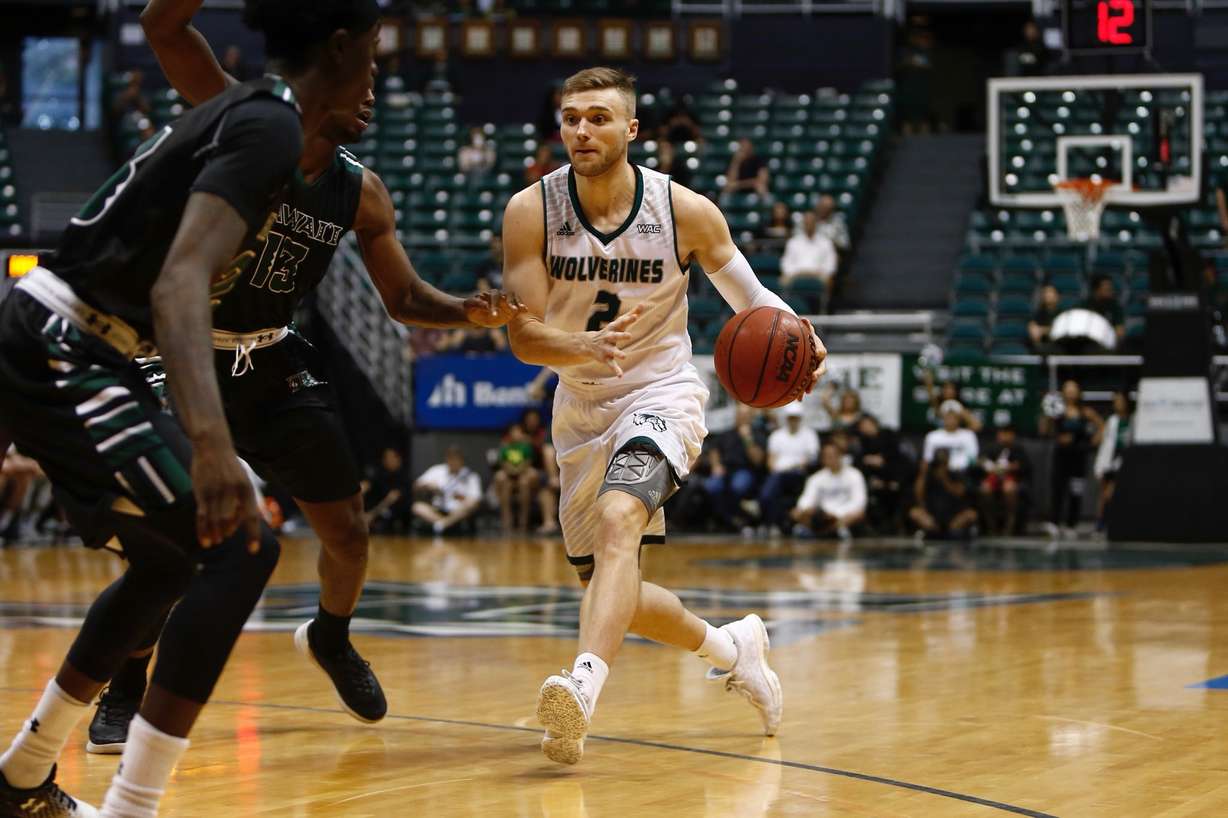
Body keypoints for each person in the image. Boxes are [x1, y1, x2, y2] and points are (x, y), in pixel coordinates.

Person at [88, 0, 523, 756]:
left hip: (274, 358)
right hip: (187, 359)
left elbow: (405, 299)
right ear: (333, 60)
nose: (376, 90)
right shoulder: (241, 120)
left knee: (348, 532)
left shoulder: (362, 190)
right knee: (174, 546)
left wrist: (470, 313)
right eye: (371, 71)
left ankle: (331, 634)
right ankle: (127, 686)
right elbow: (164, 27)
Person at [0, 1, 382, 814]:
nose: (377, 82)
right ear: (341, 46)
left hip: (60, 334)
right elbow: (180, 281)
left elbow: (163, 16)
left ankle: (24, 775)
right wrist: (211, 446)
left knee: (171, 559)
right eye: (375, 59)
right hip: (69, 338)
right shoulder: (269, 124)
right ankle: (132, 805)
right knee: (239, 548)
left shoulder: (257, 124)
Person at [500, 67, 826, 766]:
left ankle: (581, 690)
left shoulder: (686, 211)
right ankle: (734, 647)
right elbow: (524, 338)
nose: (581, 131)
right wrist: (577, 346)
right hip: (580, 408)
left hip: (662, 395)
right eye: (571, 119)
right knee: (616, 595)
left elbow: (754, 299)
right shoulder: (532, 210)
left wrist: (799, 334)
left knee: (623, 517)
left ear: (631, 129)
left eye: (597, 118)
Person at [1040, 380, 1103, 538]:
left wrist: (1092, 442)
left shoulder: (1085, 412)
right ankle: (1054, 522)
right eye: (1067, 390)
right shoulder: (1057, 411)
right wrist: (1047, 415)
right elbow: (1044, 431)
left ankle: (1071, 524)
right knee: (1058, 488)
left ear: (1078, 392)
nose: (1070, 393)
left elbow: (1102, 426)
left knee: (1076, 490)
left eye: (1073, 390)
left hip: (1079, 457)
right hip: (1061, 456)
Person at [702, 404, 767, 531]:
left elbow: (757, 460)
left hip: (745, 470)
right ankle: (726, 519)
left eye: (745, 416)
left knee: (738, 486)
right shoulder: (727, 433)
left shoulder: (757, 434)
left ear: (751, 418)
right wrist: (716, 465)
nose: (741, 418)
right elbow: (714, 449)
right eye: (739, 415)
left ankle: (737, 518)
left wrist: (747, 438)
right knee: (712, 486)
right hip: (725, 469)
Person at [759, 403, 820, 533]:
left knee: (772, 487)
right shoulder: (777, 436)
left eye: (796, 417)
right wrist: (776, 469)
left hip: (798, 474)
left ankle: (774, 523)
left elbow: (810, 459)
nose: (793, 420)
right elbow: (771, 460)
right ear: (786, 418)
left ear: (800, 418)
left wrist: (793, 466)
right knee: (768, 492)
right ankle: (772, 523)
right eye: (791, 417)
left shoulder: (809, 435)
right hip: (778, 474)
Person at [790, 442, 866, 540]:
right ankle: (830, 532)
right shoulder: (816, 478)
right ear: (822, 459)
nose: (830, 459)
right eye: (826, 456)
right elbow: (808, 498)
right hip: (822, 516)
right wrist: (804, 509)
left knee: (859, 514)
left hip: (844, 515)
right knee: (797, 512)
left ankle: (827, 531)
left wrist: (837, 513)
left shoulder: (855, 475)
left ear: (840, 456)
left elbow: (859, 502)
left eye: (833, 456)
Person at [851, 414, 904, 534]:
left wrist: (883, 460)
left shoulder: (889, 435)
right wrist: (869, 462)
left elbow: (897, 458)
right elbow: (859, 462)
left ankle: (896, 524)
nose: (865, 427)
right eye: (862, 426)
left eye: (867, 424)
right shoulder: (862, 442)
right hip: (873, 478)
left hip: (892, 474)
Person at [412, 446, 482, 535]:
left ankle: (443, 525)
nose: (453, 462)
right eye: (450, 458)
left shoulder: (470, 476)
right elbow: (416, 485)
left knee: (470, 505)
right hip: (438, 510)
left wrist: (461, 498)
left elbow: (476, 499)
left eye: (456, 459)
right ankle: (444, 524)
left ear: (462, 460)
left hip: (458, 512)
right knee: (417, 507)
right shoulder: (437, 470)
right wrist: (428, 486)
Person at [910, 449, 978, 540]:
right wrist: (923, 473)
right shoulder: (928, 476)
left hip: (954, 513)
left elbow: (960, 492)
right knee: (914, 512)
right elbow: (918, 495)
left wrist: (945, 479)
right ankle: (932, 530)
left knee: (971, 514)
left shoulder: (954, 474)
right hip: (932, 514)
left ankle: (953, 530)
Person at [977, 424, 1031, 536]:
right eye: (1002, 433)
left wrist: (1009, 467)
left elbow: (1024, 466)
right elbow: (981, 461)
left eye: (1008, 434)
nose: (1005, 436)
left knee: (1009, 489)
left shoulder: (1018, 449)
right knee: (984, 489)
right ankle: (991, 526)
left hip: (1011, 477)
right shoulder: (991, 447)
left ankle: (1009, 524)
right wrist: (990, 466)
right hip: (993, 477)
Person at [780, 211, 838, 308]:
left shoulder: (825, 242)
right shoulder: (793, 242)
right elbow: (786, 264)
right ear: (803, 224)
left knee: (829, 280)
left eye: (811, 222)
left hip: (818, 276)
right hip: (796, 275)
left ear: (816, 223)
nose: (809, 224)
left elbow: (830, 265)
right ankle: (787, 311)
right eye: (807, 222)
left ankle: (823, 311)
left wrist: (819, 273)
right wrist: (797, 273)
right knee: (783, 280)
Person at [1092, 391, 1131, 532]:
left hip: (1124, 461)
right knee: (1104, 494)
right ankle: (1100, 522)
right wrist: (1100, 465)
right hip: (1108, 461)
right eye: (1116, 401)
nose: (1118, 404)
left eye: (1121, 401)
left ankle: (1111, 521)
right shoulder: (1111, 421)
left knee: (1111, 493)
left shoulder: (1133, 420)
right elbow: (1100, 442)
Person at [493, 422, 539, 533]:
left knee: (524, 482)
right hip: (509, 476)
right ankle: (506, 521)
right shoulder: (505, 447)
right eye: (514, 431)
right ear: (509, 434)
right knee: (502, 480)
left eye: (519, 431)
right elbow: (503, 463)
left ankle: (523, 522)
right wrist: (511, 471)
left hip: (523, 475)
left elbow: (528, 463)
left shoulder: (526, 447)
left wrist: (518, 471)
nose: (516, 434)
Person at [363, 447, 411, 534]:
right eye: (385, 458)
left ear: (398, 459)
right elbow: (367, 485)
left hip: (395, 512)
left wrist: (371, 515)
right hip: (376, 510)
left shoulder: (404, 477)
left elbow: (391, 499)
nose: (388, 460)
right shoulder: (380, 474)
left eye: (391, 457)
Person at [1083, 274, 1126, 347]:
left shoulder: (1115, 306)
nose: (1110, 291)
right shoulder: (1085, 306)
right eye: (1107, 289)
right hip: (1088, 344)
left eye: (1111, 289)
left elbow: (1120, 331)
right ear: (1096, 290)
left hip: (1108, 345)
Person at [1028, 283, 1060, 353]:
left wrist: (1042, 330)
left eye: (1051, 292)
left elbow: (1060, 332)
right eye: (1045, 292)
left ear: (1057, 296)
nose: (1048, 295)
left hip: (1058, 346)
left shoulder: (1061, 314)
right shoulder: (1038, 314)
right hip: (1043, 346)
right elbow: (1034, 332)